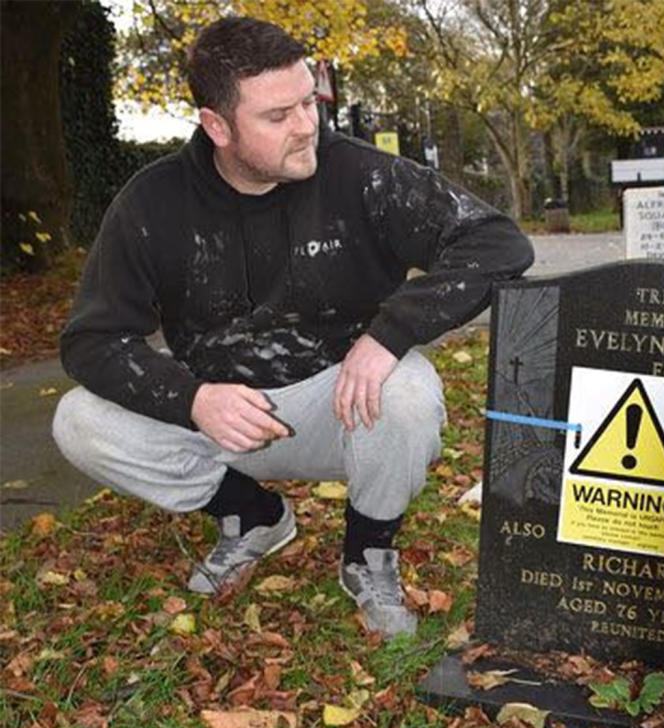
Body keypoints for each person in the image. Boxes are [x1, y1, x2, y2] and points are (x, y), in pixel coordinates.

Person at [52, 17, 533, 638]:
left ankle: (367, 552)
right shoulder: (152, 204)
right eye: (278, 117)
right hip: (220, 415)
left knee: (408, 391)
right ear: (217, 126)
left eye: (308, 101)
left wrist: (387, 336)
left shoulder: (361, 175)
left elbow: (497, 243)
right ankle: (252, 515)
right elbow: (91, 341)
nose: (306, 125)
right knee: (78, 420)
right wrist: (191, 397)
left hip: (340, 408)